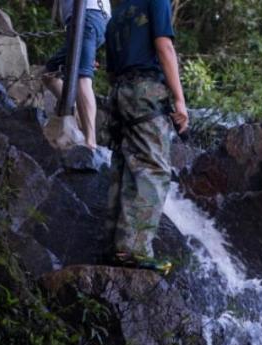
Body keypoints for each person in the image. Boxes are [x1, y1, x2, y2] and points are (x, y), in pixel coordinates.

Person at [103, 0, 189, 273]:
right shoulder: (157, 1)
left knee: (125, 165)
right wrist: (179, 100)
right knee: (153, 168)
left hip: (119, 93)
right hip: (146, 90)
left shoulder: (118, 14)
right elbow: (164, 46)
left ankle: (114, 245)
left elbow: (110, 71)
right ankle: (135, 248)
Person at [44, 0, 111, 150]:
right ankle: (73, 106)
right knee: (49, 74)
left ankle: (90, 142)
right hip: (83, 20)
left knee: (82, 78)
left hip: (87, 16)